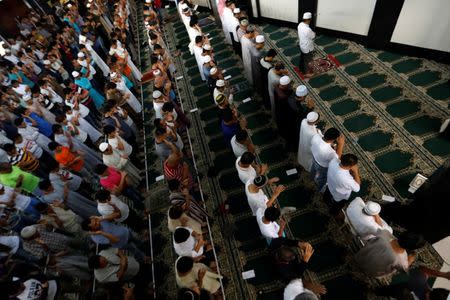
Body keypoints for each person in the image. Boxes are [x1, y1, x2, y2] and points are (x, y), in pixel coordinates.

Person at [354, 230, 426, 277]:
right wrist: (411, 258)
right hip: (370, 273)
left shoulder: (385, 233)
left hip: (360, 257)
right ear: (411, 248)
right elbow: (405, 269)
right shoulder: (401, 260)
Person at [310, 128, 345, 192]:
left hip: (314, 158)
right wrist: (340, 145)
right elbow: (337, 158)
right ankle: (320, 189)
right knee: (322, 179)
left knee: (313, 169)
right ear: (334, 139)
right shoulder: (331, 152)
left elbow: (320, 135)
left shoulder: (316, 136)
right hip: (322, 166)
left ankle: (311, 178)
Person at [297, 12, 315, 77]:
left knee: (302, 57)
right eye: (310, 19)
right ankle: (306, 73)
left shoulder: (300, 25)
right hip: (307, 48)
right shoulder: (307, 29)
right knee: (308, 60)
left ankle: (301, 68)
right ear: (308, 20)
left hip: (302, 45)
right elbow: (313, 36)